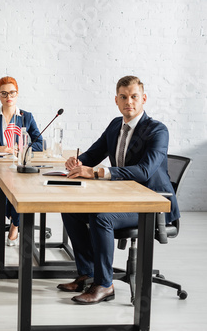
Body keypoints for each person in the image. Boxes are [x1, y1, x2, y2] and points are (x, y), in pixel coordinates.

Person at [57, 75, 179, 304]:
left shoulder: (157, 131)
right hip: (123, 198)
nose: (128, 102)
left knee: (101, 216)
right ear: (116, 100)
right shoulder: (115, 125)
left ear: (143, 99)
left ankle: (105, 285)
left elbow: (144, 171)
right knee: (70, 209)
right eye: (123, 97)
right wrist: (76, 162)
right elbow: (93, 154)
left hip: (152, 204)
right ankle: (89, 272)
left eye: (134, 97)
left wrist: (97, 172)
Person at [0, 76, 43, 246]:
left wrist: (23, 148)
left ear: (17, 94)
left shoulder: (26, 117)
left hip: (20, 167)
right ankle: (16, 219)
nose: (8, 97)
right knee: (3, 196)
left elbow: (40, 143)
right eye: (4, 93)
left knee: (20, 193)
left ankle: (15, 225)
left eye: (12, 93)